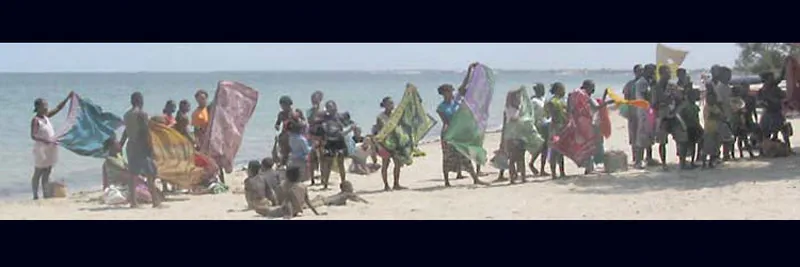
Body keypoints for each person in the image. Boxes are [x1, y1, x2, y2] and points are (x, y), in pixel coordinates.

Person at [437, 84, 489, 187]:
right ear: (444, 94)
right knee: (447, 157)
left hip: (459, 133)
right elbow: (446, 122)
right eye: (449, 92)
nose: (452, 93)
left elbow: (462, 88)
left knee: (465, 155)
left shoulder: (455, 102)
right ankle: (447, 182)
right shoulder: (441, 107)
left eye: (452, 91)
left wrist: (470, 71)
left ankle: (475, 178)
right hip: (448, 133)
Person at [120, 92, 165, 208]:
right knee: (150, 174)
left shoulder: (126, 115)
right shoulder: (142, 114)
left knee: (133, 175)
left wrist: (121, 144)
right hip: (141, 147)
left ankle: (133, 202)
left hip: (130, 146)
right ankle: (155, 202)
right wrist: (151, 147)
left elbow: (126, 131)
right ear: (141, 101)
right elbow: (145, 132)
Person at [30, 92, 73, 200]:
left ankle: (45, 194)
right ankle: (35, 195)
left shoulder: (46, 117)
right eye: (43, 106)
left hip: (50, 148)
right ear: (37, 107)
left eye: (46, 106)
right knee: (38, 172)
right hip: (41, 149)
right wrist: (46, 140)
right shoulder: (36, 120)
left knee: (47, 172)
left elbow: (58, 108)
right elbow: (33, 135)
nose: (46, 108)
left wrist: (68, 97)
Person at [569, 80, 614, 174]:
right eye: (592, 88)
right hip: (586, 123)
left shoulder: (573, 94)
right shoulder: (585, 95)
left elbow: (570, 109)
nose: (593, 90)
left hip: (575, 122)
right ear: (588, 87)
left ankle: (588, 167)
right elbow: (597, 107)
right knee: (590, 145)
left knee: (583, 145)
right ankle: (589, 168)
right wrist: (608, 102)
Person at [653, 65, 690, 170]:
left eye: (669, 72)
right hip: (662, 116)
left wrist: (676, 110)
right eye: (667, 73)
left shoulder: (672, 86)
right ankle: (664, 164)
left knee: (682, 138)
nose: (669, 75)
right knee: (662, 142)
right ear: (661, 74)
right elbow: (653, 104)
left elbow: (682, 100)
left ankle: (682, 163)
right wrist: (661, 105)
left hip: (673, 115)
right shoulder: (656, 88)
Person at [312, 100, 352, 190]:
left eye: (332, 106)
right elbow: (314, 119)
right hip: (329, 142)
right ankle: (325, 184)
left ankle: (343, 182)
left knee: (340, 163)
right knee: (328, 164)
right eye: (328, 107)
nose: (331, 109)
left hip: (340, 141)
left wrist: (349, 128)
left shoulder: (340, 116)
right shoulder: (325, 117)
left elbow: (349, 123)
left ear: (335, 107)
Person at [255, 167, 322, 219]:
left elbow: (288, 201)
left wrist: (289, 215)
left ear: (287, 177)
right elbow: (308, 201)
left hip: (287, 211)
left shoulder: (288, 187)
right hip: (298, 210)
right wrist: (316, 213)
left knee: (262, 210)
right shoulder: (303, 186)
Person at [372, 97, 407, 190]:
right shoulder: (380, 117)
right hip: (385, 143)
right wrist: (380, 145)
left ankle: (396, 184)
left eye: (392, 103)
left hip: (396, 142)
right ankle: (386, 185)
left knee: (397, 163)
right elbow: (380, 131)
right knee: (385, 164)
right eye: (389, 104)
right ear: (384, 105)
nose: (391, 105)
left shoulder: (396, 115)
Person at [758, 71, 791, 153]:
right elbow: (760, 102)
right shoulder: (763, 90)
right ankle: (764, 150)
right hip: (769, 113)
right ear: (765, 80)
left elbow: (783, 95)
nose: (773, 79)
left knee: (783, 131)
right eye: (770, 78)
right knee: (766, 133)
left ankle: (787, 148)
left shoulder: (774, 88)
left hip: (776, 112)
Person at [632, 65, 657, 169]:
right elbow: (647, 96)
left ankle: (649, 158)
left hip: (648, 111)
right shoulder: (642, 83)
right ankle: (638, 161)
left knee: (648, 136)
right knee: (641, 137)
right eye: (652, 72)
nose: (653, 74)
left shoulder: (646, 82)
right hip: (643, 112)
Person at [275, 96, 306, 168]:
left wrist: (298, 122)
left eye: (284, 105)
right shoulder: (281, 114)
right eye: (281, 105)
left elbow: (304, 122)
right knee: (284, 149)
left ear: (289, 104)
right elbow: (277, 123)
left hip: (296, 133)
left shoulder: (296, 112)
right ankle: (284, 163)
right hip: (285, 134)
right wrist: (277, 126)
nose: (283, 107)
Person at [545, 82, 568, 179]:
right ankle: (559, 173)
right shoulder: (557, 102)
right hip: (558, 128)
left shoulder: (553, 101)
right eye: (563, 89)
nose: (564, 91)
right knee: (557, 151)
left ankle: (556, 173)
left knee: (556, 151)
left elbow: (547, 115)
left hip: (556, 127)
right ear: (558, 90)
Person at [714, 67, 736, 162]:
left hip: (729, 114)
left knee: (728, 137)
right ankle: (719, 155)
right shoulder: (719, 87)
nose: (729, 77)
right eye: (727, 75)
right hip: (722, 115)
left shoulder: (727, 87)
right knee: (722, 137)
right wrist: (722, 115)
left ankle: (726, 154)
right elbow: (719, 102)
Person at [623, 65, 643, 161]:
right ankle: (635, 157)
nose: (641, 72)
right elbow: (626, 99)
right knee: (633, 135)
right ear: (635, 72)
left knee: (643, 135)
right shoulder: (630, 84)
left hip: (643, 113)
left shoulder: (645, 83)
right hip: (633, 112)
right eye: (639, 71)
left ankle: (644, 157)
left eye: (642, 71)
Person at [529, 83, 549, 176]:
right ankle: (532, 163)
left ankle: (542, 169)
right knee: (540, 146)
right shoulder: (534, 101)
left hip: (545, 124)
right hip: (538, 125)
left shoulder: (544, 99)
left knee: (545, 148)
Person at [680, 87, 703, 168]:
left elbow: (696, 118)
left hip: (693, 126)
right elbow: (682, 116)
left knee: (693, 145)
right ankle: (683, 162)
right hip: (688, 127)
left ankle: (693, 160)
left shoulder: (693, 106)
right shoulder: (686, 106)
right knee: (686, 145)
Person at [702, 90, 725, 169]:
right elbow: (711, 116)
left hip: (716, 129)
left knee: (715, 147)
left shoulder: (715, 107)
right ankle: (704, 163)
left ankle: (711, 163)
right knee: (707, 147)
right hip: (709, 129)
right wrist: (718, 115)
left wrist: (718, 115)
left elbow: (721, 116)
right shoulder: (706, 107)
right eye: (709, 98)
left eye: (712, 98)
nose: (711, 100)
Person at [306, 91, 325, 180]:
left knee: (322, 157)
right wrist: (314, 112)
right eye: (313, 99)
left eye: (316, 99)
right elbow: (310, 121)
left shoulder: (324, 111)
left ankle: (323, 176)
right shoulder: (310, 111)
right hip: (312, 135)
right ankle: (312, 178)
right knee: (312, 157)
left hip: (322, 135)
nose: (314, 101)